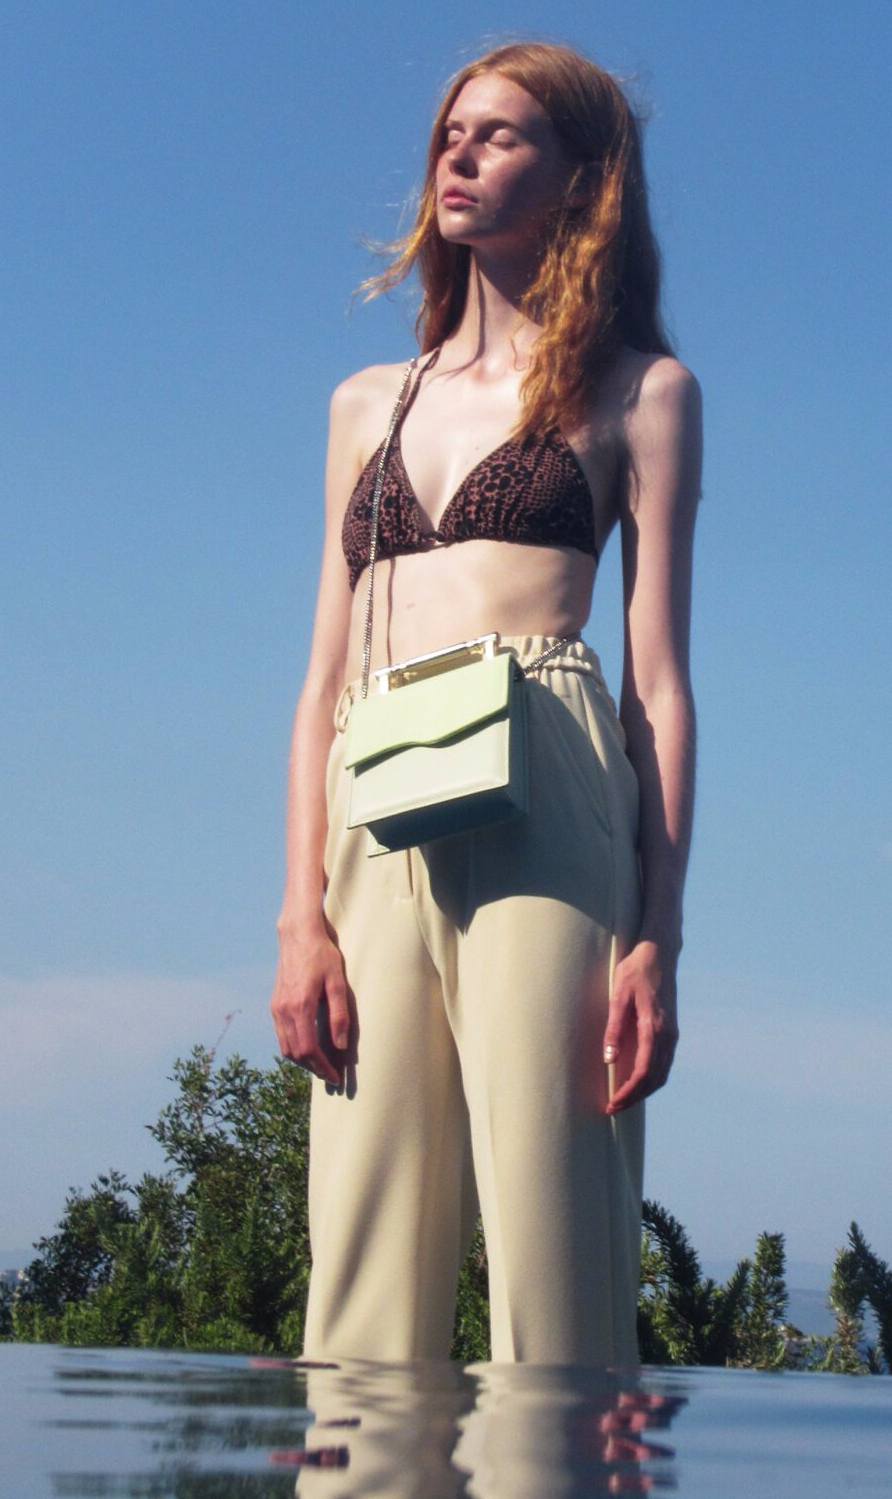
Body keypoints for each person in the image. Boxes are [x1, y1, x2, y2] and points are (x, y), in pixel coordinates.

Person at [269, 40, 701, 1367]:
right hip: (373, 792)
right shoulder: (362, 404)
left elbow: (661, 684)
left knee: (554, 1228)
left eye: (499, 135)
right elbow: (321, 681)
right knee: (360, 1240)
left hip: (552, 769)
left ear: (582, 181)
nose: (457, 151)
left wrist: (656, 941)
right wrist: (300, 915)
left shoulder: (643, 391)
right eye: (451, 132)